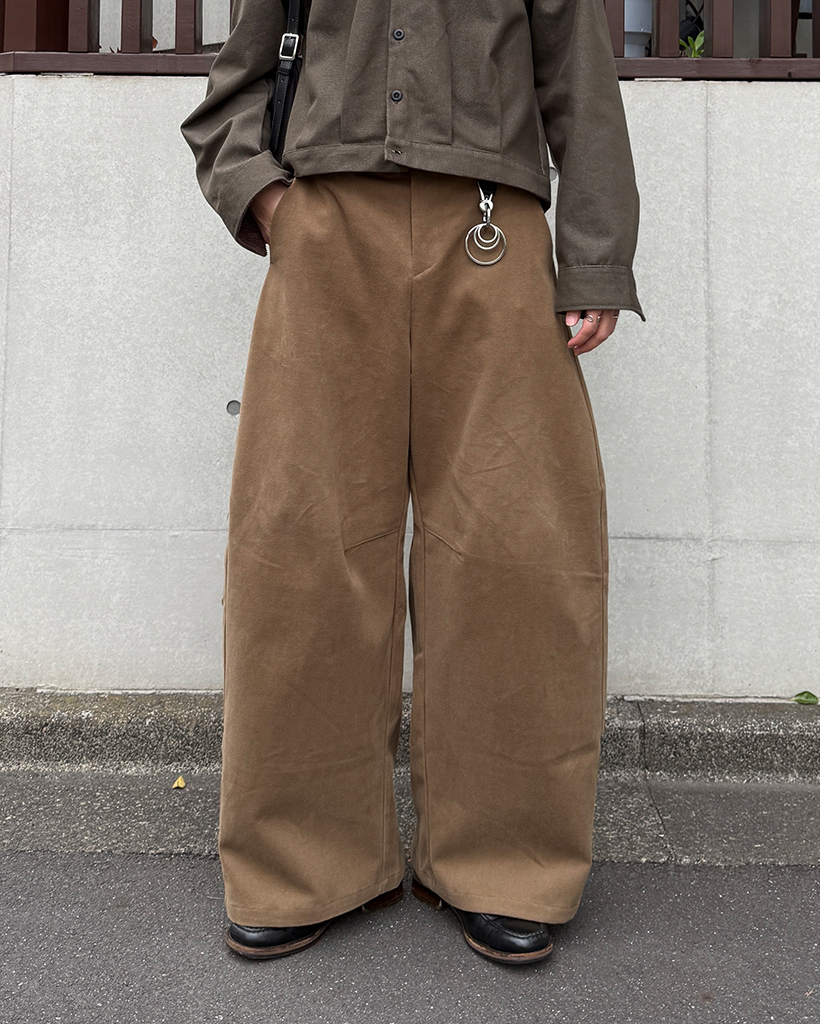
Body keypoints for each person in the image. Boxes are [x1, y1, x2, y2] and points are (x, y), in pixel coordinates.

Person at [180, 0, 645, 966]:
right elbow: (230, 93)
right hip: (326, 238)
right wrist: (272, 204)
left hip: (493, 238)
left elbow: (580, 84)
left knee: (515, 554)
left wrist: (596, 260)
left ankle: (507, 862)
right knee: (302, 550)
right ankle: (299, 864)